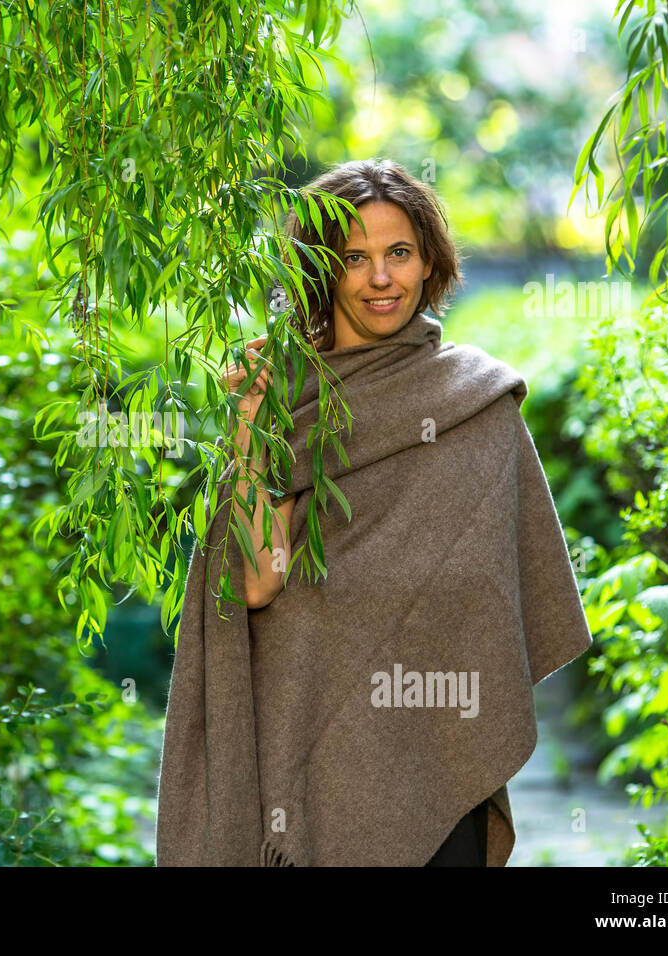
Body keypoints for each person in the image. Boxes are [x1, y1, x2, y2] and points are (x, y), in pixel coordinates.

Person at [156, 158, 591, 866]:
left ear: (429, 264)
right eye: (353, 258)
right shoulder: (288, 399)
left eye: (399, 254)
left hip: (445, 759)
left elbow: (494, 592)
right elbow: (260, 580)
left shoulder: (477, 401)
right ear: (319, 270)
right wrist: (247, 425)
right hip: (306, 770)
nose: (379, 278)